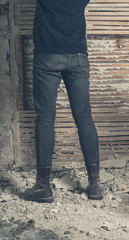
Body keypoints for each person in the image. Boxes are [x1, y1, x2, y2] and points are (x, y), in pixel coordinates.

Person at [24, 0, 103, 203]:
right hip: (77, 55)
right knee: (84, 118)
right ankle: (94, 185)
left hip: (47, 55)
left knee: (45, 119)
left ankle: (43, 186)